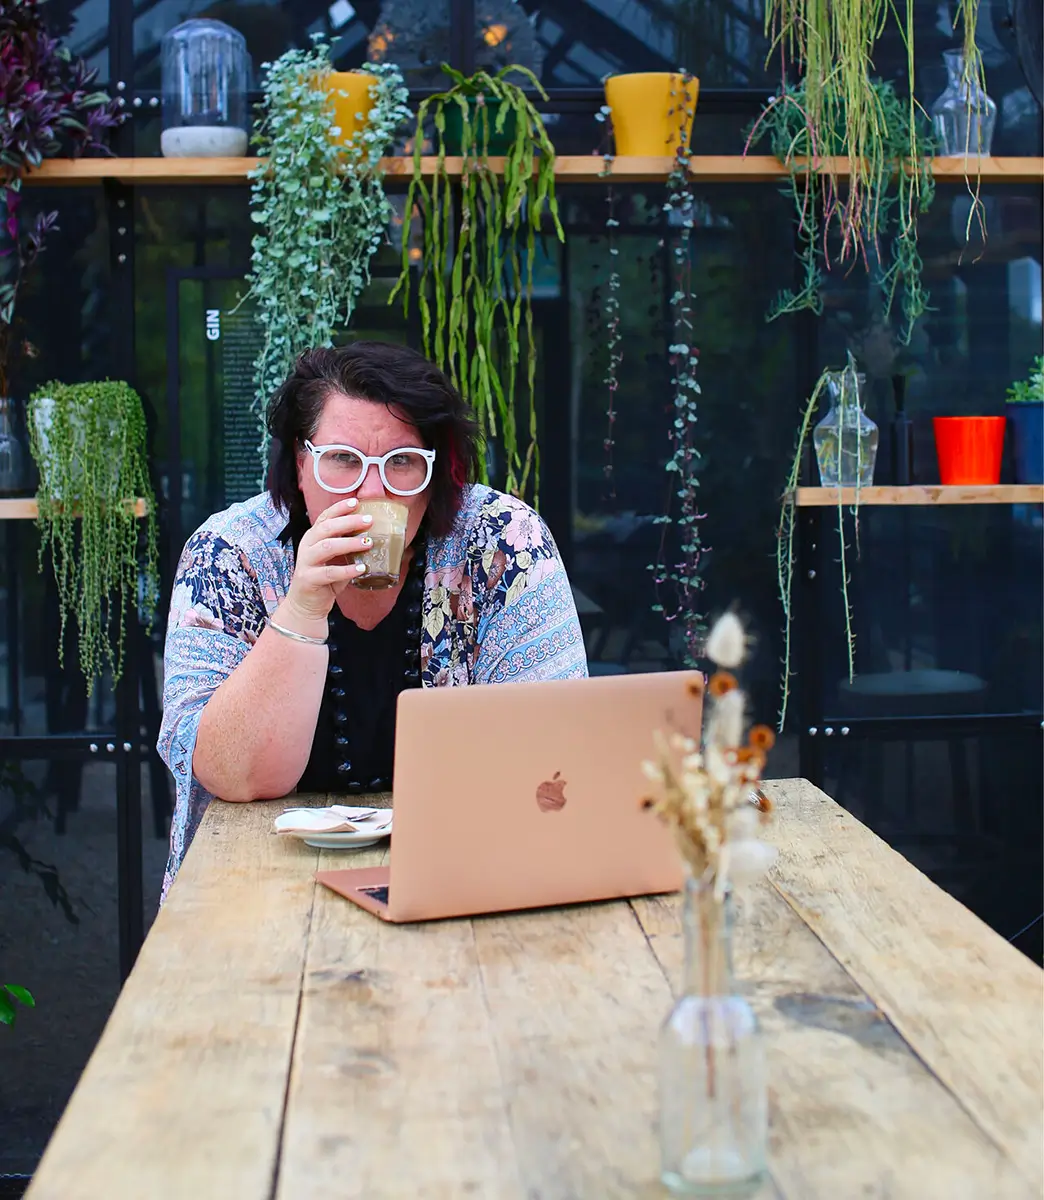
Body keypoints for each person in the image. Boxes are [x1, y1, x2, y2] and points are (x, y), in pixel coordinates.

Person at [158, 341, 587, 896]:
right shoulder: (230, 552)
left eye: (402, 462)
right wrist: (303, 607)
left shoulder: (503, 541)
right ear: (299, 461)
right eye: (342, 460)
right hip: (254, 876)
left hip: (460, 869)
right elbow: (227, 773)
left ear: (435, 473)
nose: (371, 491)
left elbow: (555, 747)